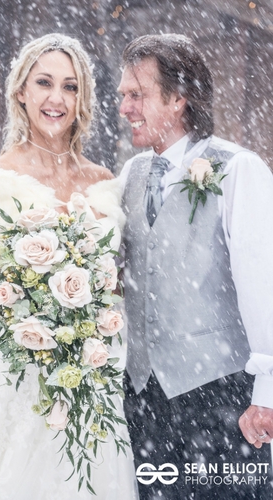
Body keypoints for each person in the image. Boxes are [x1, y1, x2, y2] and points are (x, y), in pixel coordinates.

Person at [0, 33, 137, 499]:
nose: (56, 98)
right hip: (14, 373)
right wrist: (9, 293)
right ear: (21, 91)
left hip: (89, 373)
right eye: (44, 83)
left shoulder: (103, 182)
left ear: (83, 100)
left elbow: (116, 276)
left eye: (70, 86)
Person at [117, 33, 273, 499]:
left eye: (136, 95)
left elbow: (263, 285)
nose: (124, 107)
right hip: (142, 398)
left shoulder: (240, 171)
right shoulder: (130, 174)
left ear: (179, 98)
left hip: (221, 395)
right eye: (123, 95)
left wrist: (265, 394)